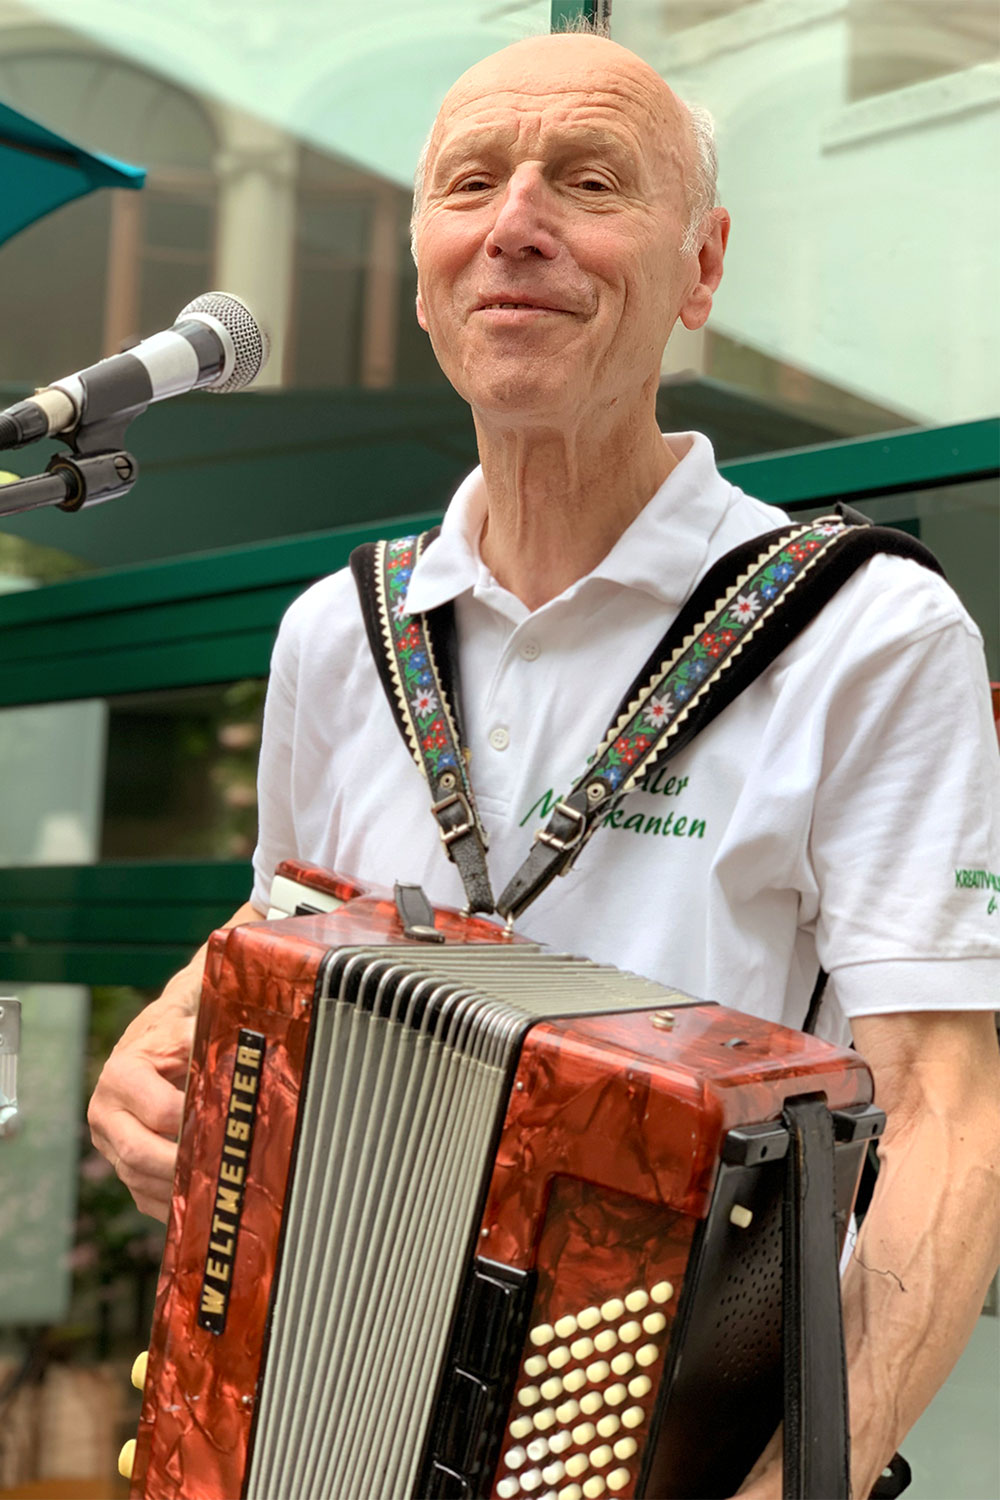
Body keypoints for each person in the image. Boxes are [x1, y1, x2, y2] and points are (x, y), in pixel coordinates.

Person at [89, 29, 1000, 1500]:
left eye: (589, 182)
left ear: (701, 269)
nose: (516, 224)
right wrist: (158, 1036)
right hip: (332, 1417)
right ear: (425, 269)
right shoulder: (340, 632)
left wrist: (798, 1486)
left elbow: (950, 1116)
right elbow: (287, 930)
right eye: (470, 185)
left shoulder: (864, 630)